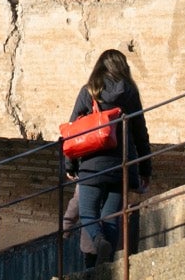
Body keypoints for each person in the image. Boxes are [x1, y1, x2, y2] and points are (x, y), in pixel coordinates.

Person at [64, 49, 152, 267]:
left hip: (92, 165)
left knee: (87, 212)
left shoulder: (89, 91)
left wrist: (71, 165)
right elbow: (141, 133)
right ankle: (107, 267)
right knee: (111, 215)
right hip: (121, 165)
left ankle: (98, 241)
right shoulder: (130, 94)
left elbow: (73, 131)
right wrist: (145, 169)